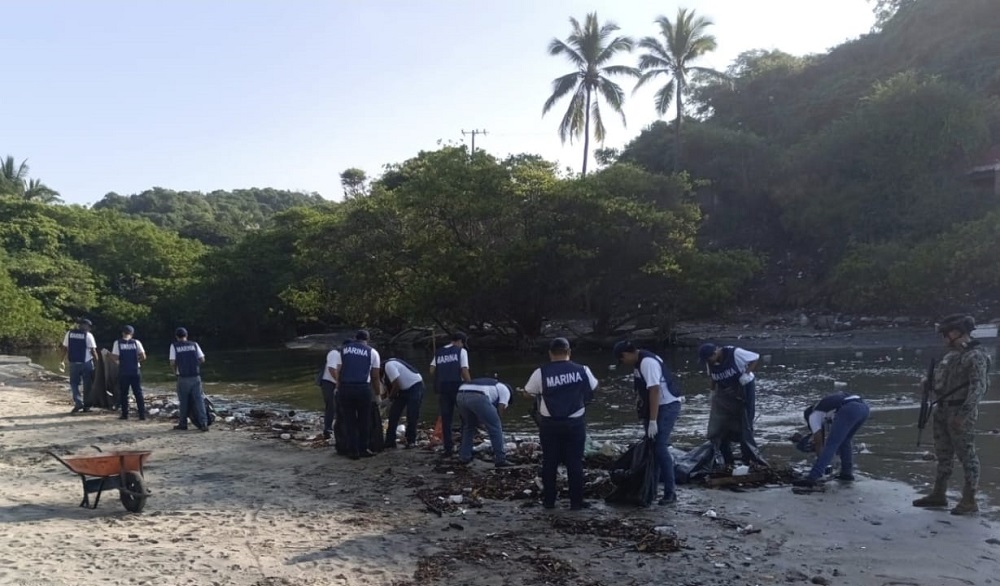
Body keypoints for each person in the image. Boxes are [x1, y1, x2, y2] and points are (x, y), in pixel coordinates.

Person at [913, 314, 992, 515]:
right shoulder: (951, 357)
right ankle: (939, 493)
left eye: (946, 334)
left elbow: (978, 388)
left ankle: (969, 499)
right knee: (943, 454)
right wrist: (927, 383)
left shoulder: (976, 356)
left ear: (956, 333)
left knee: (967, 455)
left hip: (960, 410)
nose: (944, 339)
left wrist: (963, 415)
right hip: (942, 409)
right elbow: (940, 382)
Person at [524, 337, 598, 510]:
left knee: (550, 462)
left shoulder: (541, 372)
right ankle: (576, 502)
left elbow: (528, 393)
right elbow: (594, 387)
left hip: (550, 424)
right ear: (569, 352)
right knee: (575, 462)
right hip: (575, 422)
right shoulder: (582, 370)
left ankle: (549, 501)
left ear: (550, 353)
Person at [613, 340, 682, 505]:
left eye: (622, 359)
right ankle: (651, 490)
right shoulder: (638, 362)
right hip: (655, 407)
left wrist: (653, 421)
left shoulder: (647, 363)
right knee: (652, 448)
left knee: (660, 447)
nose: (623, 362)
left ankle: (670, 493)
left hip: (667, 405)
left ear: (627, 354)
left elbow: (655, 390)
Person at [791, 390, 870, 490]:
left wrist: (820, 459)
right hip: (864, 408)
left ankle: (812, 478)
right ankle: (846, 474)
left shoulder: (813, 416)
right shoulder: (825, 409)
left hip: (849, 408)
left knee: (831, 444)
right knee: (846, 440)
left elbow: (819, 442)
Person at [333, 330, 382, 460]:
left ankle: (352, 451)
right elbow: (375, 376)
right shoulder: (372, 352)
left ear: (355, 338)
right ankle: (363, 449)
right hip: (362, 388)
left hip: (345, 388)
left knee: (349, 421)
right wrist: (377, 395)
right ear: (367, 339)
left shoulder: (343, 350)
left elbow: (338, 370)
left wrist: (337, 387)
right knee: (364, 420)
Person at [699, 343, 760, 429]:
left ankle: (748, 431)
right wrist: (712, 392)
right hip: (727, 387)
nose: (707, 362)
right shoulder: (710, 362)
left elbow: (755, 357)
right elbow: (712, 377)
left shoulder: (734, 353)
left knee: (747, 413)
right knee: (726, 414)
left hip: (744, 384)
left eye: (708, 359)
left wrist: (746, 374)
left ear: (715, 353)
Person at [429, 332, 471, 457]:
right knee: (465, 417)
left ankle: (448, 448)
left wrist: (443, 371)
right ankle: (465, 446)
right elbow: (464, 370)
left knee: (446, 419)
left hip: (442, 388)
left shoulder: (439, 352)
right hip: (458, 387)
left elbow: (431, 370)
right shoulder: (461, 351)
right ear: (460, 341)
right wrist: (470, 385)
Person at [456, 377, 512, 468]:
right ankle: (500, 459)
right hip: (478, 396)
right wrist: (495, 422)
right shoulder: (505, 390)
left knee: (469, 427)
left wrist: (484, 422)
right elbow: (500, 409)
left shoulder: (492, 385)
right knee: (496, 427)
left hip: (460, 393)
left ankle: (464, 457)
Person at [169, 327, 208, 431]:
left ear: (176, 336)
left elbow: (172, 362)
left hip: (182, 377)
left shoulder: (174, 346)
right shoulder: (194, 344)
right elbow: (202, 359)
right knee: (199, 400)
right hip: (195, 376)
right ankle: (204, 423)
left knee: (183, 401)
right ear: (186, 335)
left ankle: (183, 423)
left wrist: (175, 372)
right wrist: (195, 364)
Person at [382, 357, 424, 449]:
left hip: (415, 385)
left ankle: (411, 441)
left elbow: (396, 385)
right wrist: (387, 400)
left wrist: (389, 399)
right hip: (403, 389)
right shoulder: (388, 368)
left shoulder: (389, 366)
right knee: (393, 414)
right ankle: (390, 441)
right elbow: (389, 388)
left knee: (412, 414)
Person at [59, 318, 99, 413]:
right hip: (86, 363)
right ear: (86, 326)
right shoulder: (88, 335)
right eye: (89, 326)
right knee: (87, 385)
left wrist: (62, 360)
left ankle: (78, 402)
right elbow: (93, 351)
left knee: (74, 384)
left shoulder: (69, 333)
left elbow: (64, 348)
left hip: (73, 362)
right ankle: (87, 406)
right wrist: (98, 363)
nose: (89, 328)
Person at [110, 325, 147, 420]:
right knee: (138, 393)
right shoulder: (136, 342)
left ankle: (125, 414)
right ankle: (142, 415)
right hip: (135, 370)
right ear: (132, 334)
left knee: (124, 393)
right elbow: (143, 356)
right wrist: (136, 360)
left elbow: (115, 357)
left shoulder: (117, 343)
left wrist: (117, 360)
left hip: (123, 371)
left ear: (123, 333)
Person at [318, 343, 340, 440]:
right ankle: (328, 429)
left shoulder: (340, 355)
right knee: (331, 406)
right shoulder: (334, 353)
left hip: (334, 382)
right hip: (328, 383)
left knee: (337, 406)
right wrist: (339, 382)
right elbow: (331, 369)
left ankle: (335, 428)